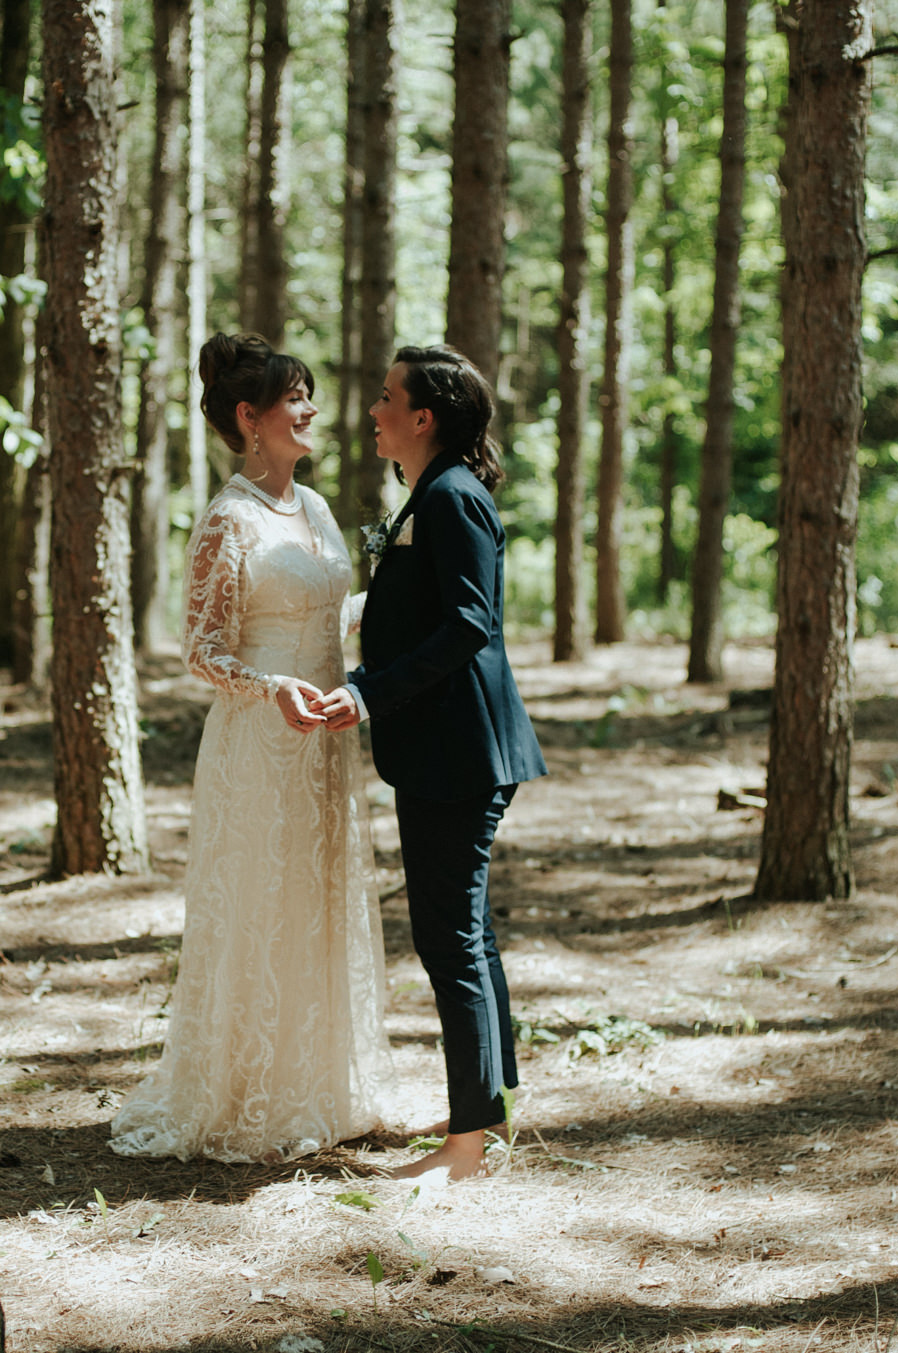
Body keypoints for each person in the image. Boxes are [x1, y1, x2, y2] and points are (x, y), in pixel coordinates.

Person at [109, 333, 391, 1163]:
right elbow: (201, 650)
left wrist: (398, 594)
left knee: (320, 896)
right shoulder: (226, 520)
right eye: (294, 399)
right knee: (265, 904)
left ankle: (322, 1082)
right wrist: (275, 690)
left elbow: (326, 614)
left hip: (327, 740)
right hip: (262, 742)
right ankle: (251, 1090)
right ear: (249, 418)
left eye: (309, 394)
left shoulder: (315, 508)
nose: (311, 410)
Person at [313, 345, 547, 1181]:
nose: (373, 411)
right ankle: (489, 1107)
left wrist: (370, 690)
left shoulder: (451, 496)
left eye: (386, 398)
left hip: (461, 751)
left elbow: (469, 625)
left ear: (424, 417)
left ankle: (467, 1150)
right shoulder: (431, 493)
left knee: (448, 938)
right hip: (446, 749)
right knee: (466, 933)